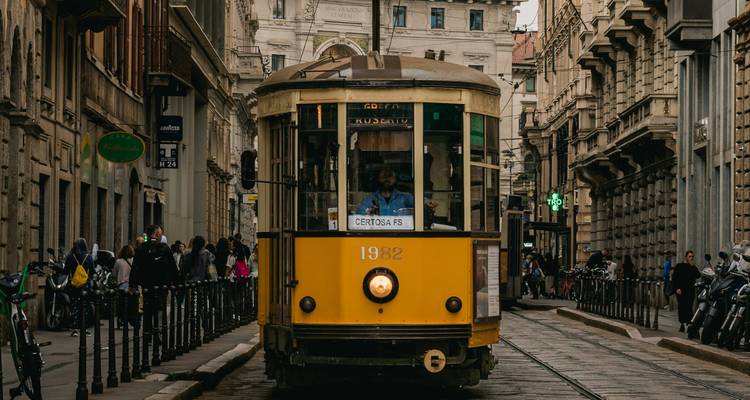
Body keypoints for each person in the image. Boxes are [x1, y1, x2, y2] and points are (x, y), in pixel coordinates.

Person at [65, 238, 95, 337]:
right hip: (85, 285)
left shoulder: (70, 257)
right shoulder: (88, 257)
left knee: (74, 305)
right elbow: (93, 271)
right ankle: (84, 328)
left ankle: (74, 329)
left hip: (74, 284)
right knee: (84, 306)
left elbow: (66, 271)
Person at [672, 250, 700, 332]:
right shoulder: (679, 266)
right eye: (690, 256)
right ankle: (682, 323)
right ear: (686, 257)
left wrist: (693, 267)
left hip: (690, 290)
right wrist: (677, 288)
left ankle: (688, 323)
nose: (691, 258)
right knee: (682, 307)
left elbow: (698, 275)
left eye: (692, 257)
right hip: (681, 290)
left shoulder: (693, 267)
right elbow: (675, 278)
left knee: (689, 307)